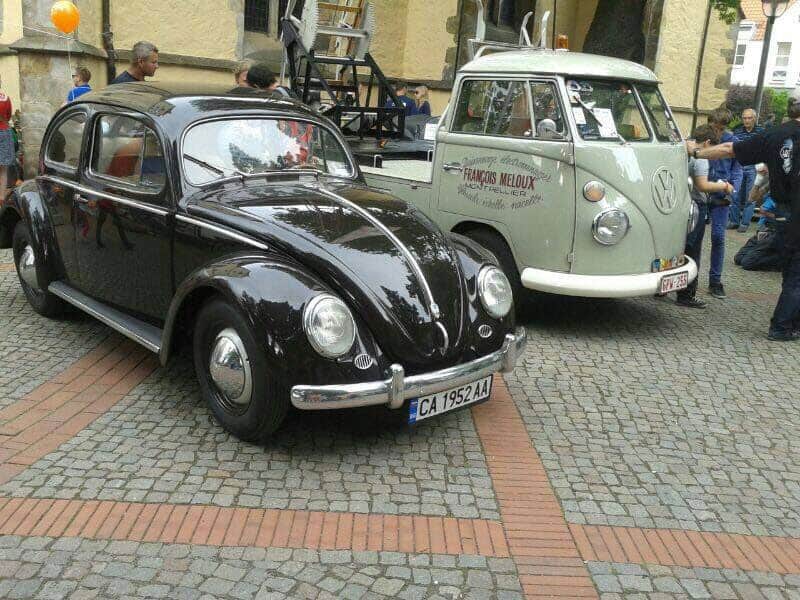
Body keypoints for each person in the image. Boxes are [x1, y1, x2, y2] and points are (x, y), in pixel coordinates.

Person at [687, 87, 800, 341]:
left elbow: (730, 149)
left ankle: (790, 323)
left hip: (784, 211)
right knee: (796, 273)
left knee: (792, 269)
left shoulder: (775, 134)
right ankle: (782, 326)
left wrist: (695, 152)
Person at [677, 125, 733, 308]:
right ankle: (687, 294)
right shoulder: (700, 158)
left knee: (675, 247)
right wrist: (724, 186)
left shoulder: (681, 149)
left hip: (678, 204)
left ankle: (662, 288)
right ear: (708, 143)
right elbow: (702, 185)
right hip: (695, 206)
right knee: (693, 251)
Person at [705, 108, 742, 299]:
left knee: (718, 237)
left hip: (722, 195)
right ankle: (682, 279)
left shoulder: (733, 142)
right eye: (714, 128)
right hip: (701, 193)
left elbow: (738, 169)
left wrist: (733, 188)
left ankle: (715, 281)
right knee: (689, 238)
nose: (717, 133)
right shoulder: (702, 137)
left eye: (720, 129)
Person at [731, 108, 765, 232]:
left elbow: (765, 149)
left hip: (753, 167)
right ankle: (734, 221)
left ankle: (745, 223)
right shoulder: (737, 131)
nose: (746, 120)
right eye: (744, 118)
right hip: (739, 167)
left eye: (749, 118)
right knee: (735, 195)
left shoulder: (761, 132)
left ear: (754, 119)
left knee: (750, 196)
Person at [0, 80, 13, 201]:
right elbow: (8, 116)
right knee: (3, 169)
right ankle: (1, 197)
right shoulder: (5, 98)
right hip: (4, 131)